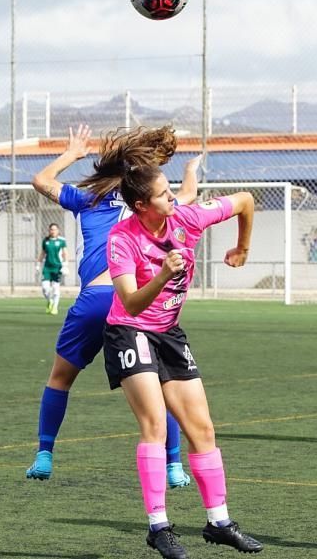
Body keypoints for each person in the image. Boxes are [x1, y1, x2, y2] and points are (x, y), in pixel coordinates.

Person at [25, 123, 202, 490]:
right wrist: (189, 172)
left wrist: (72, 154)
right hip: (137, 303)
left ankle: (44, 454)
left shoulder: (87, 199)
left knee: (60, 378)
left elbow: (40, 180)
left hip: (96, 299)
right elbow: (186, 194)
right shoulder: (146, 203)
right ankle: (172, 466)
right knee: (163, 386)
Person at [103, 163, 263, 558]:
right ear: (142, 205)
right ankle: (159, 527)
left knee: (202, 429)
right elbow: (131, 302)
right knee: (155, 424)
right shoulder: (122, 239)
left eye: (171, 189)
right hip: (130, 330)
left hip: (170, 333)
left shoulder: (186, 218)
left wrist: (243, 248)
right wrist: (160, 275)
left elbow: (245, 201)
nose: (173, 197)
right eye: (163, 194)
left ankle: (219, 522)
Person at [36, 223, 68, 315]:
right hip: (47, 267)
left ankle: (55, 307)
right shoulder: (46, 241)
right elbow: (42, 253)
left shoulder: (61, 241)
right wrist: (38, 264)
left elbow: (65, 253)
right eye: (51, 229)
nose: (53, 231)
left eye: (55, 229)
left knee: (56, 288)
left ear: (58, 230)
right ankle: (49, 301)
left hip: (57, 267)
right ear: (49, 231)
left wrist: (65, 265)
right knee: (45, 288)